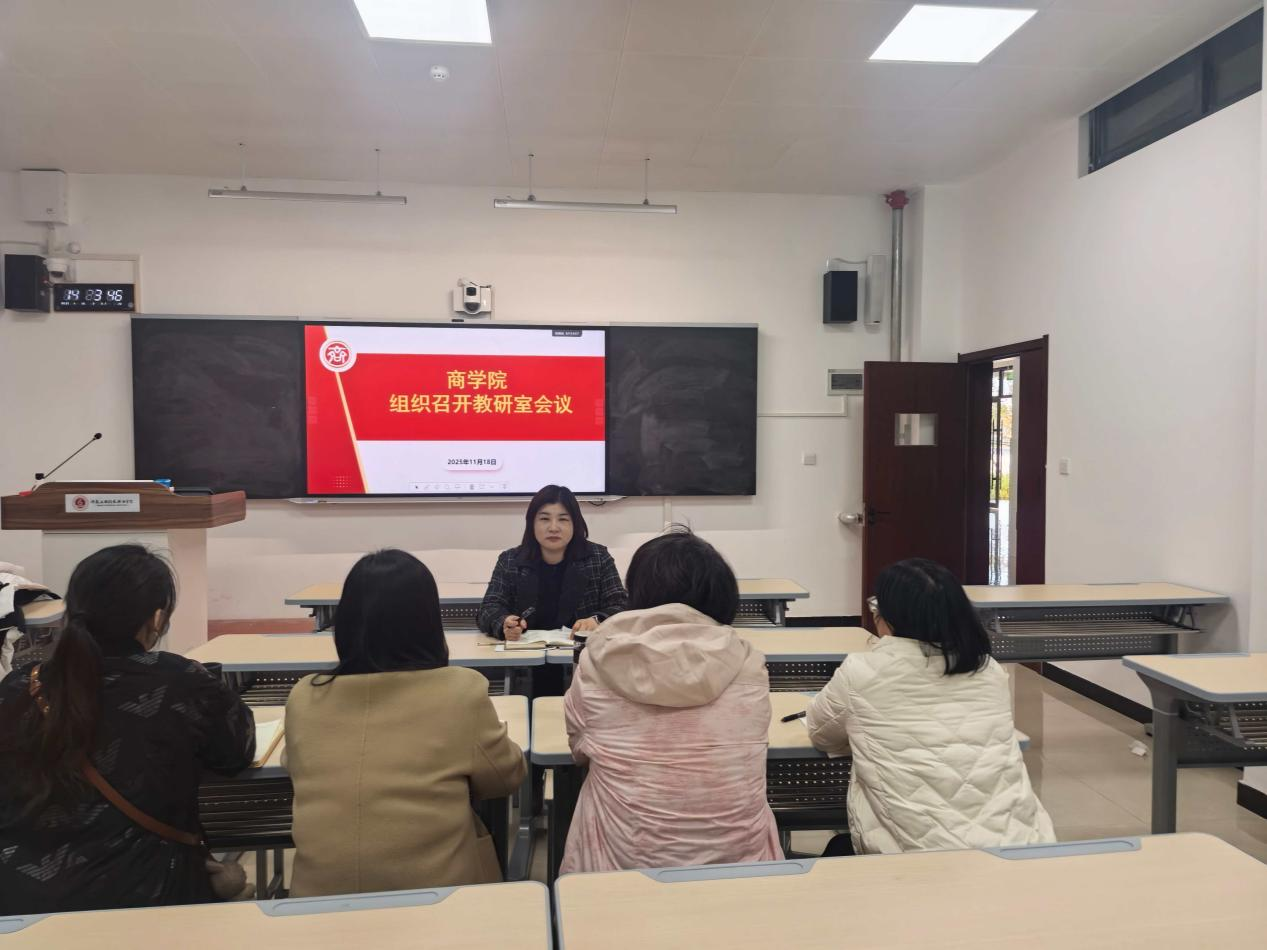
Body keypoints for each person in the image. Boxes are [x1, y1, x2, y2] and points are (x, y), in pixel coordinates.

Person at [0, 544, 256, 914]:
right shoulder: (182, 681)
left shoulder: (20, 685)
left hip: (20, 902)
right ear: (156, 617)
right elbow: (236, 755)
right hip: (152, 894)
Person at [285, 549, 526, 897]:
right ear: (428, 620)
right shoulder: (459, 692)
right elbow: (505, 778)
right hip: (438, 897)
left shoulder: (305, 697)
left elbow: (295, 766)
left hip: (317, 899)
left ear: (346, 621)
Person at [561, 528, 782, 873]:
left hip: (620, 871)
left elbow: (579, 750)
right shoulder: (749, 664)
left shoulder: (597, 661)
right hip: (743, 870)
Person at [807, 558, 1054, 856]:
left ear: (891, 618)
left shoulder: (861, 672)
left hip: (919, 858)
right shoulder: (987, 669)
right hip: (1019, 846)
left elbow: (821, 734)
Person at [477, 484, 627, 642]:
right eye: (544, 519)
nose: (553, 528)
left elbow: (621, 606)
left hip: (580, 652)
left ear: (575, 524)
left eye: (563, 519)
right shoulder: (510, 560)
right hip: (524, 653)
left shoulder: (598, 558)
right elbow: (488, 609)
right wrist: (504, 623)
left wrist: (597, 620)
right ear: (532, 524)